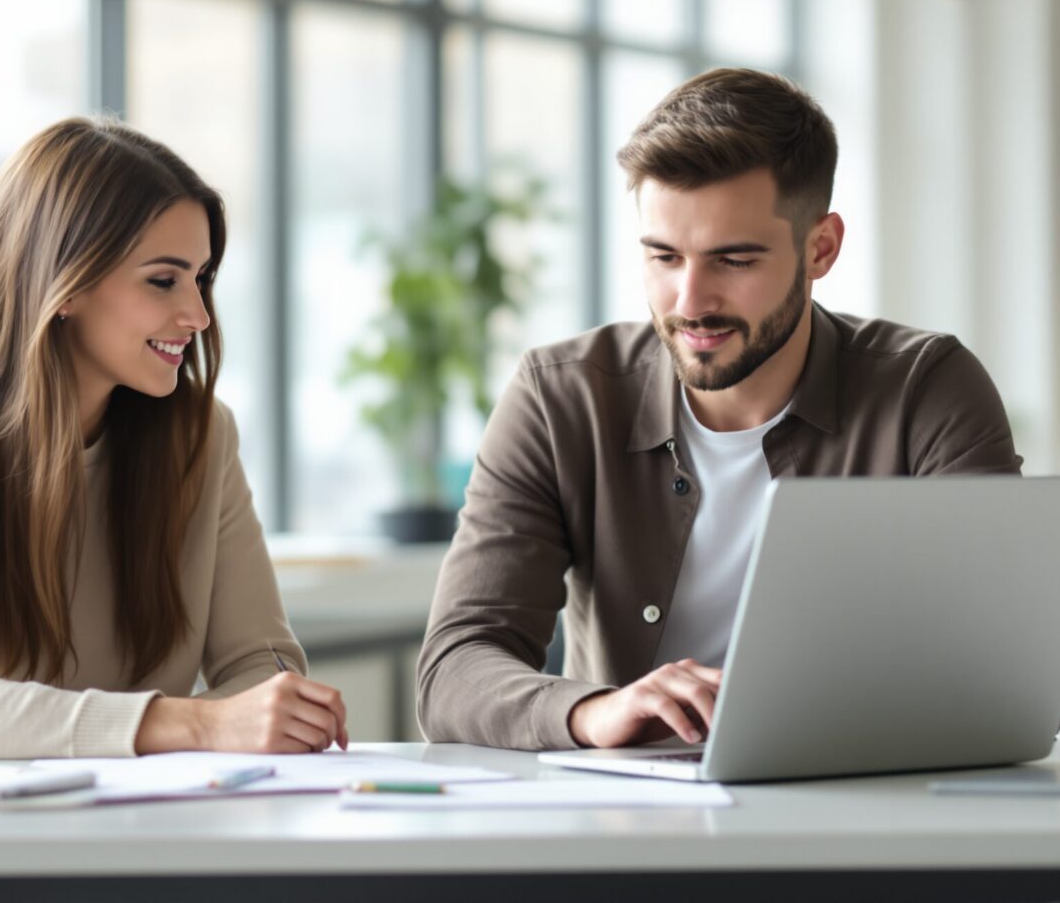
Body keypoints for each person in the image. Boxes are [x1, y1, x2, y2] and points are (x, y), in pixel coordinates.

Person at [416, 68, 1022, 751]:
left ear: (820, 248)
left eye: (733, 260)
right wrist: (597, 712)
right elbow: (454, 670)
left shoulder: (926, 391)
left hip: (860, 806)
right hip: (630, 824)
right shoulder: (561, 398)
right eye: (664, 257)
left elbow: (1012, 675)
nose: (690, 300)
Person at [0, 116, 348, 759]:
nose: (198, 315)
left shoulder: (202, 439)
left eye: (202, 278)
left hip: (139, 835)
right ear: (63, 284)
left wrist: (249, 711)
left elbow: (263, 676)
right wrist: (200, 725)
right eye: (164, 280)